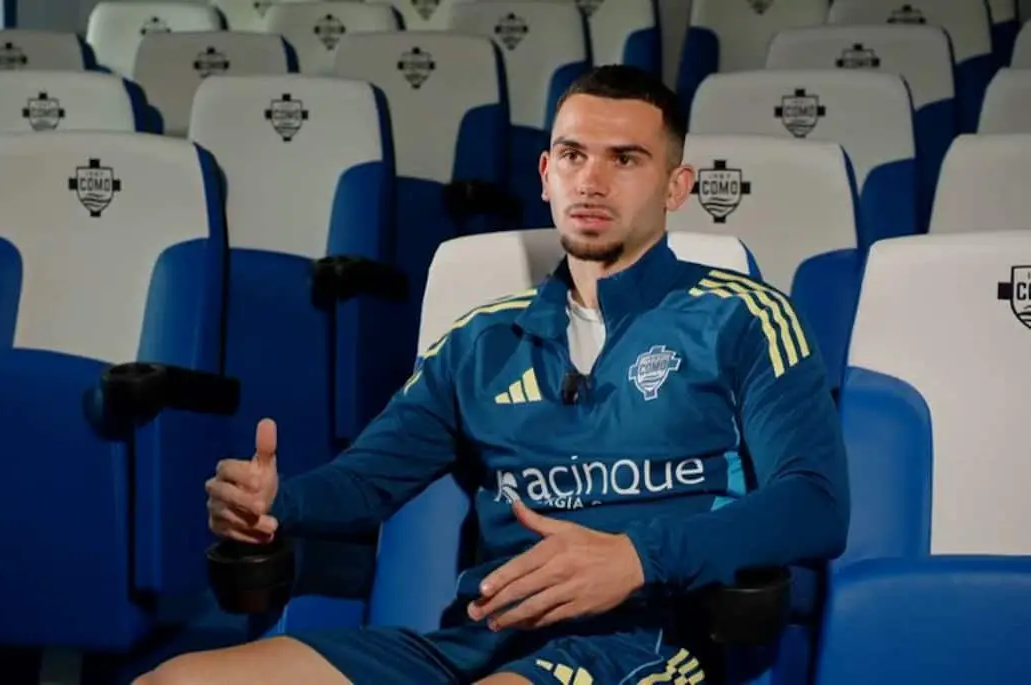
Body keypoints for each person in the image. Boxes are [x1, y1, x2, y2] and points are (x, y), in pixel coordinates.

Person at [136, 64, 850, 685]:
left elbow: (815, 502)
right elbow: (365, 483)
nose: (591, 180)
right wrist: (275, 503)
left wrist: (638, 559)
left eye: (626, 159)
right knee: (174, 679)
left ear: (676, 186)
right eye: (572, 155)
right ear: (545, 175)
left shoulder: (743, 317)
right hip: (477, 640)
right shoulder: (481, 341)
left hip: (645, 641)